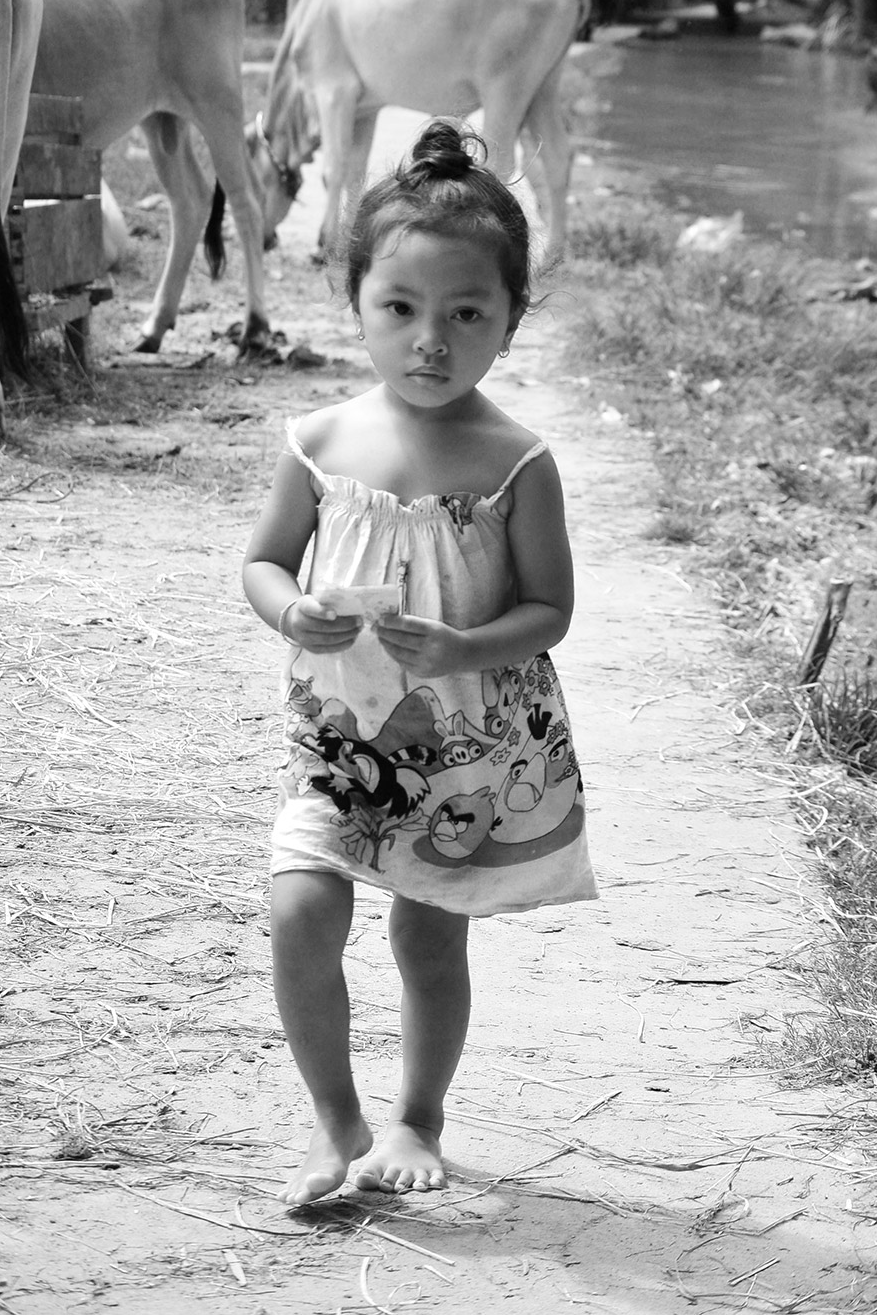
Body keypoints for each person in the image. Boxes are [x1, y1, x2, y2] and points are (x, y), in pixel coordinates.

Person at [243, 119, 596, 1207]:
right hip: (339, 739)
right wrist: (292, 610)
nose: (430, 340)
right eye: (399, 309)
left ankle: (418, 1117)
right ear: (356, 303)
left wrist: (459, 647)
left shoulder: (517, 462)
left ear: (510, 322)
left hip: (459, 753)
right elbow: (262, 562)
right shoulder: (320, 442)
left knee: (426, 938)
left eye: (465, 314)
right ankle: (334, 1117)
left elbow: (550, 611)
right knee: (300, 911)